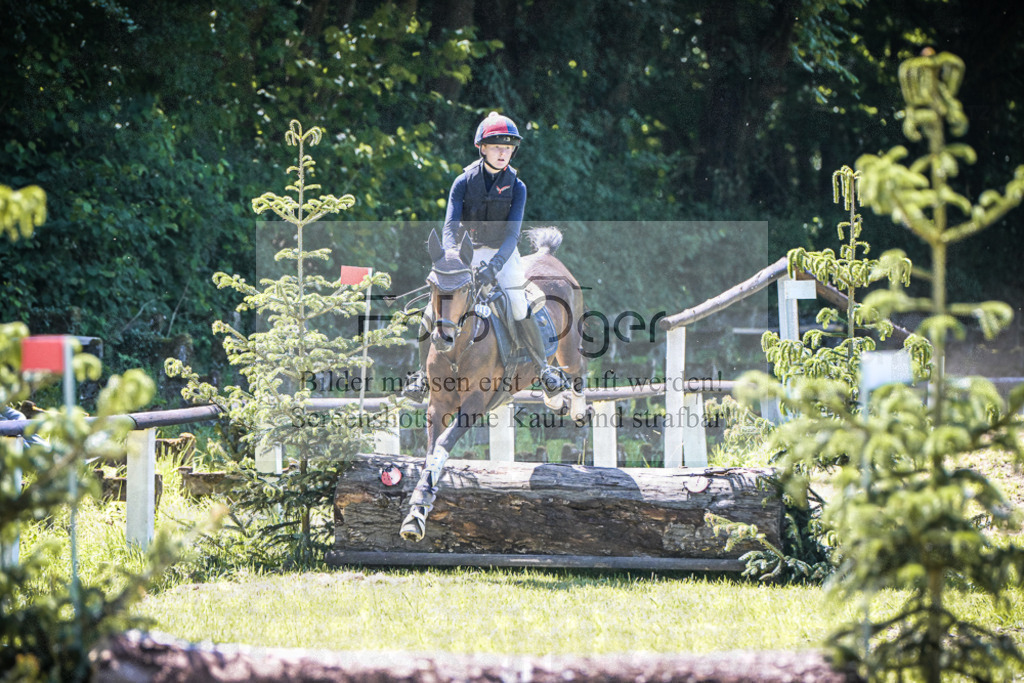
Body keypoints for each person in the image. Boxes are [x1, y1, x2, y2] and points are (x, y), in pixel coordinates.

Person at [404, 111, 569, 401]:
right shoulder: (463, 182)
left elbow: (511, 237)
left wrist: (494, 267)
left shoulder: (518, 187)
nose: (503, 153)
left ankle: (543, 369)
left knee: (518, 303)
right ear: (482, 148)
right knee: (433, 310)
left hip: (502, 254)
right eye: (497, 147)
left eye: (508, 148)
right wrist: (451, 258)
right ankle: (421, 375)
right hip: (464, 254)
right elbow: (450, 227)